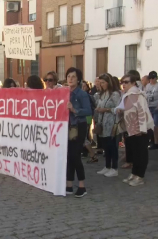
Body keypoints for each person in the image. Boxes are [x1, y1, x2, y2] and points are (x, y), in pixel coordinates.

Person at [116, 74, 154, 186]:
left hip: (142, 129)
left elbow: (142, 112)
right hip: (132, 129)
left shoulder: (138, 95)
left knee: (141, 153)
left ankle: (140, 176)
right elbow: (123, 108)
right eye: (122, 82)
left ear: (133, 83)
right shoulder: (126, 95)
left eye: (126, 82)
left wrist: (141, 129)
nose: (123, 84)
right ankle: (134, 173)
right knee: (134, 153)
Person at [65, 67, 91, 198]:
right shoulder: (64, 93)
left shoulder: (82, 94)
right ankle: (69, 185)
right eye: (69, 76)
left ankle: (82, 185)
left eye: (73, 76)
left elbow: (88, 111)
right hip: (66, 127)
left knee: (75, 155)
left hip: (78, 127)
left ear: (78, 79)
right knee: (68, 156)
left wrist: (74, 110)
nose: (70, 79)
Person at [95, 74, 122, 177]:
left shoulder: (114, 94)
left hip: (111, 123)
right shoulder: (102, 94)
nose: (101, 85)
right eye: (100, 83)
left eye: (103, 83)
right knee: (106, 146)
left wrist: (106, 110)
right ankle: (107, 166)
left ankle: (114, 168)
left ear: (108, 82)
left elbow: (118, 109)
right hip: (102, 123)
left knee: (112, 146)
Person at [145, 71, 158, 150]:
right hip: (149, 107)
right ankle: (154, 142)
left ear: (156, 78)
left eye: (153, 78)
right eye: (150, 78)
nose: (152, 80)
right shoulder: (147, 86)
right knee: (151, 126)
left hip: (156, 107)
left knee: (157, 126)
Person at [81, 80, 96, 161]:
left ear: (87, 87)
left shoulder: (88, 96)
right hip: (84, 117)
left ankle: (91, 153)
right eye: (82, 86)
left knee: (85, 136)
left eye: (84, 86)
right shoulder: (83, 95)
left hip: (87, 117)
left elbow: (92, 107)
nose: (83, 88)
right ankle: (88, 153)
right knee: (85, 136)